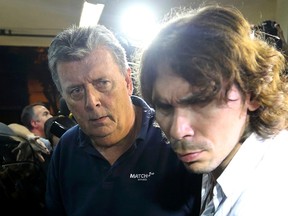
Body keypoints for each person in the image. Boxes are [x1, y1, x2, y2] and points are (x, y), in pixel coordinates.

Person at [139, 5, 288, 216]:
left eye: (201, 102)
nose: (178, 131)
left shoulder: (267, 199)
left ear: (252, 93)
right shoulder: (222, 155)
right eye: (164, 106)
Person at [45, 25, 202, 216]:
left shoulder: (175, 137)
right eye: (76, 91)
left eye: (102, 83)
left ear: (127, 82)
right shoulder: (65, 150)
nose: (92, 102)